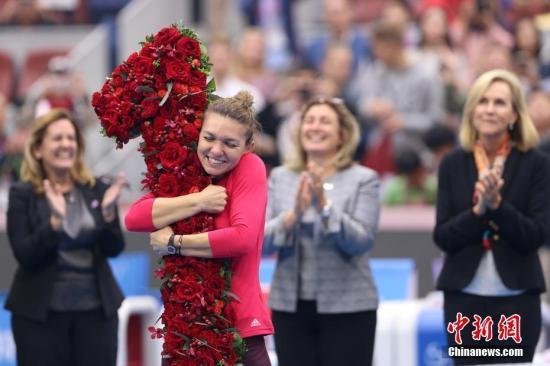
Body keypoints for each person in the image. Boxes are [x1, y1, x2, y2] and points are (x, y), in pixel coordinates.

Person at [124, 91, 274, 365]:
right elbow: (134, 218)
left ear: (248, 147)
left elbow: (242, 238)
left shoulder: (250, 167)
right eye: (209, 138)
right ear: (197, 135)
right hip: (186, 328)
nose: (216, 151)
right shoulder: (184, 168)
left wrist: (174, 243)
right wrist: (197, 200)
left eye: (230, 143)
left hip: (239, 327)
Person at [434, 69, 550, 365]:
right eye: (482, 101)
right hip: (464, 297)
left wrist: (497, 205)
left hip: (516, 297)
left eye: (499, 102)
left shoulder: (536, 164)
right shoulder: (452, 163)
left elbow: (536, 235)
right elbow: (443, 236)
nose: (489, 109)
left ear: (514, 115)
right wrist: (478, 212)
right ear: (471, 111)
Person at [5, 108, 126, 366]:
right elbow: (25, 255)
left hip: (97, 314)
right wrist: (55, 224)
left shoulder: (97, 189)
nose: (66, 145)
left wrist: (107, 216)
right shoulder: (21, 194)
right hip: (40, 316)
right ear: (37, 149)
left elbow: (114, 248)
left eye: (71, 139)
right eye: (57, 138)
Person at [263, 97, 380, 366]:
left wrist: (324, 207)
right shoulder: (280, 177)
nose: (315, 127)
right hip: (289, 308)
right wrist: (294, 215)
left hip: (349, 307)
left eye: (325, 121)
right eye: (310, 120)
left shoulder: (363, 178)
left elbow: (361, 241)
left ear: (342, 136)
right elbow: (262, 243)